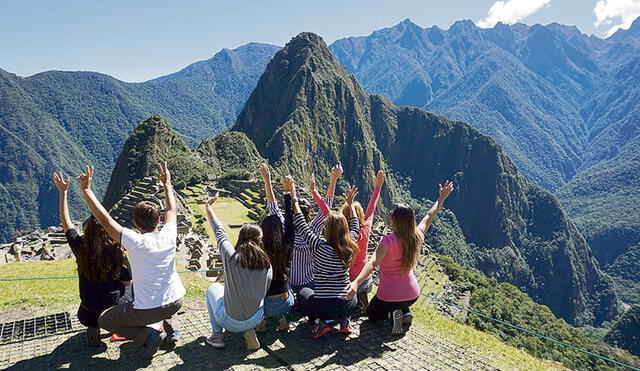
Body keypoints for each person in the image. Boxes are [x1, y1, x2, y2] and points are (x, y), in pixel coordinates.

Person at [77, 163, 185, 359]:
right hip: (177, 301)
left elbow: (104, 220)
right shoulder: (169, 233)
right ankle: (163, 329)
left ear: (135, 223)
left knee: (105, 320)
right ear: (159, 221)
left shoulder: (135, 241)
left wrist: (86, 190)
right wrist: (167, 183)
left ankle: (149, 335)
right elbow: (172, 208)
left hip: (149, 310)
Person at [347, 181, 454, 335]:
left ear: (394, 221)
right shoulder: (417, 236)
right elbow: (430, 214)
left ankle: (391, 315)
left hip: (388, 296)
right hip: (412, 295)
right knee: (400, 301)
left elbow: (373, 262)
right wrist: (442, 197)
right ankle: (405, 311)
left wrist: (356, 283)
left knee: (371, 314)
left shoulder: (388, 241)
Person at [53, 172, 132, 350]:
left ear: (87, 231)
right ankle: (119, 326)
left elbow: (66, 222)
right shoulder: (118, 252)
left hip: (88, 314)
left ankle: (93, 330)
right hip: (113, 310)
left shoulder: (80, 248)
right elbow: (127, 282)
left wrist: (63, 192)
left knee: (92, 302)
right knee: (130, 291)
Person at [288, 176, 360, 338]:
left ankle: (323, 322)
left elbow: (301, 223)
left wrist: (293, 197)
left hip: (321, 307)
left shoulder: (318, 246)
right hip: (347, 305)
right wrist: (351, 204)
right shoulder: (350, 244)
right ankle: (343, 321)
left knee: (303, 293)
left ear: (327, 230)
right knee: (351, 293)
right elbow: (355, 224)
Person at [204, 192, 272, 351]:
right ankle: (249, 329)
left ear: (241, 237)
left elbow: (219, 231)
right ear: (259, 241)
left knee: (212, 289)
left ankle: (217, 335)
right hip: (256, 317)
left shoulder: (231, 258)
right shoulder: (267, 265)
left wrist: (208, 206)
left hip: (230, 320)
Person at [338, 170, 385, 331]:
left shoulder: (342, 236)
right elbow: (371, 207)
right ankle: (362, 301)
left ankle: (350, 308)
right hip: (365, 280)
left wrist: (348, 204)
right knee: (363, 285)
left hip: (346, 282)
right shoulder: (366, 228)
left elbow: (326, 212)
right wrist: (377, 187)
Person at [290, 165, 342, 293]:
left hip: (290, 282)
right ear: (309, 213)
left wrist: (291, 194)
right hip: (309, 282)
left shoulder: (286, 233)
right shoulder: (313, 231)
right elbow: (327, 207)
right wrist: (333, 179)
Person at [256, 164, 295, 332]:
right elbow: (288, 217)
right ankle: (282, 317)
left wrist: (267, 181)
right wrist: (289, 193)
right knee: (289, 285)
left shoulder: (258, 250)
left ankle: (262, 321)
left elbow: (274, 208)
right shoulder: (287, 244)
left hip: (263, 305)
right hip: (286, 303)